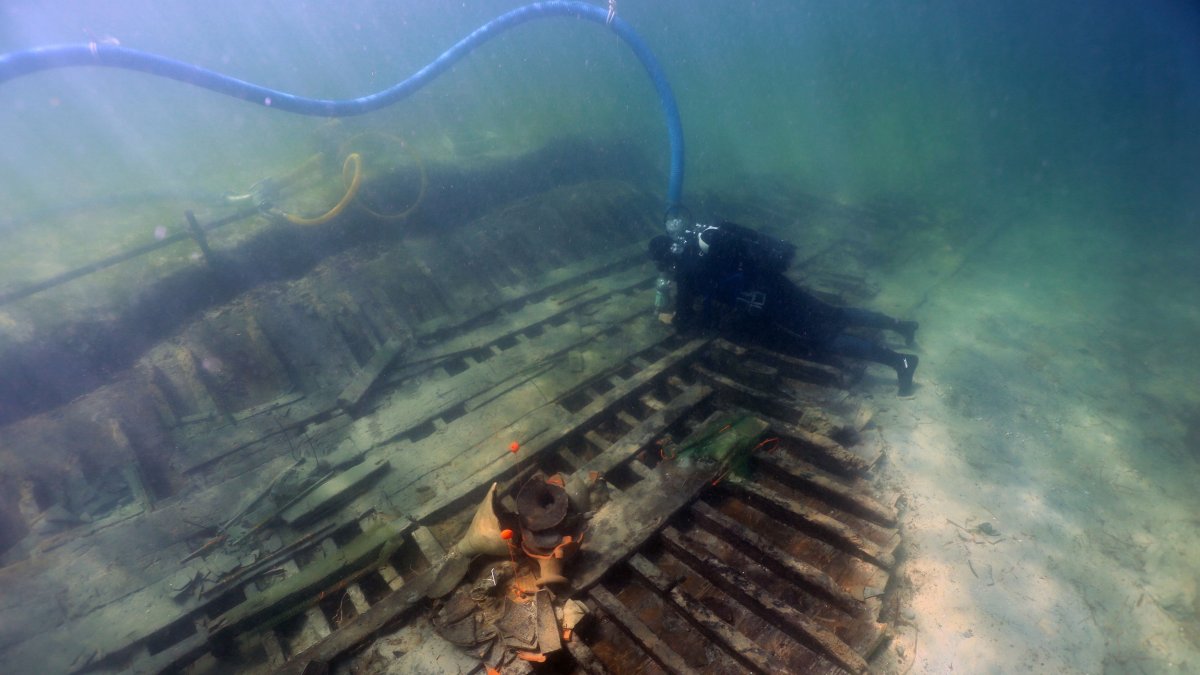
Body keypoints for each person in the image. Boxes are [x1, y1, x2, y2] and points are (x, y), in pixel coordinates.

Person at [649, 206, 921, 396]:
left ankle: (900, 362)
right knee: (833, 313)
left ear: (665, 258)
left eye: (662, 265)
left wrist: (670, 316)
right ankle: (902, 326)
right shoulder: (700, 237)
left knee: (824, 337)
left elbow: (685, 320)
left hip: (764, 299)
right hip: (772, 280)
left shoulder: (685, 271)